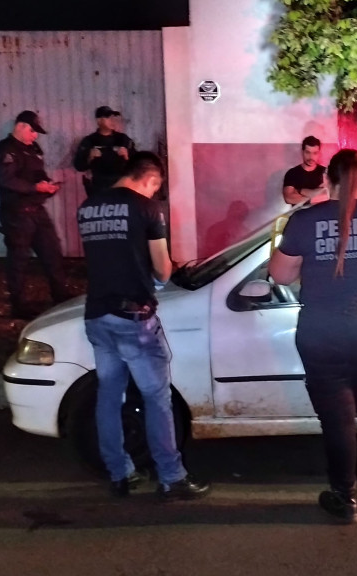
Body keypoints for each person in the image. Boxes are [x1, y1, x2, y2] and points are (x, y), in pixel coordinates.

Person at [269, 149, 357, 523]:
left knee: (338, 420)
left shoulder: (305, 220)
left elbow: (280, 275)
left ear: (326, 179)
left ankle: (345, 500)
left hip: (322, 332)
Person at [77, 151, 211, 501]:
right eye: (156, 188)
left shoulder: (88, 208)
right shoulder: (147, 209)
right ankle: (171, 476)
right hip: (134, 319)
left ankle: (120, 473)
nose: (155, 194)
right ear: (150, 180)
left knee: (109, 394)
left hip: (97, 315)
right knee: (157, 397)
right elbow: (163, 270)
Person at [0, 110, 71, 320]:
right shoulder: (5, 149)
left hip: (37, 211)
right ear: (20, 126)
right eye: (33, 131)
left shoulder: (33, 148)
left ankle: (60, 296)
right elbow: (7, 180)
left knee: (52, 253)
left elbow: (38, 173)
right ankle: (18, 304)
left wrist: (48, 185)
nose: (35, 136)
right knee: (19, 260)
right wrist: (36, 188)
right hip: (17, 214)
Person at [73, 106, 137, 196]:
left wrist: (127, 156)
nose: (112, 120)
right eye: (108, 117)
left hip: (121, 187)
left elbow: (138, 163)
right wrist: (89, 157)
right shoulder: (90, 141)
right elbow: (78, 166)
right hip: (99, 189)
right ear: (99, 121)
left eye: (114, 118)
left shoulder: (123, 139)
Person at [282, 136, 328, 206]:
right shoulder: (292, 173)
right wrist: (316, 197)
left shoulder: (326, 172)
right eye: (308, 152)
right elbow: (288, 198)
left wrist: (300, 191)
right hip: (299, 215)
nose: (311, 157)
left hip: (321, 215)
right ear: (302, 152)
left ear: (319, 153)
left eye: (315, 153)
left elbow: (329, 195)